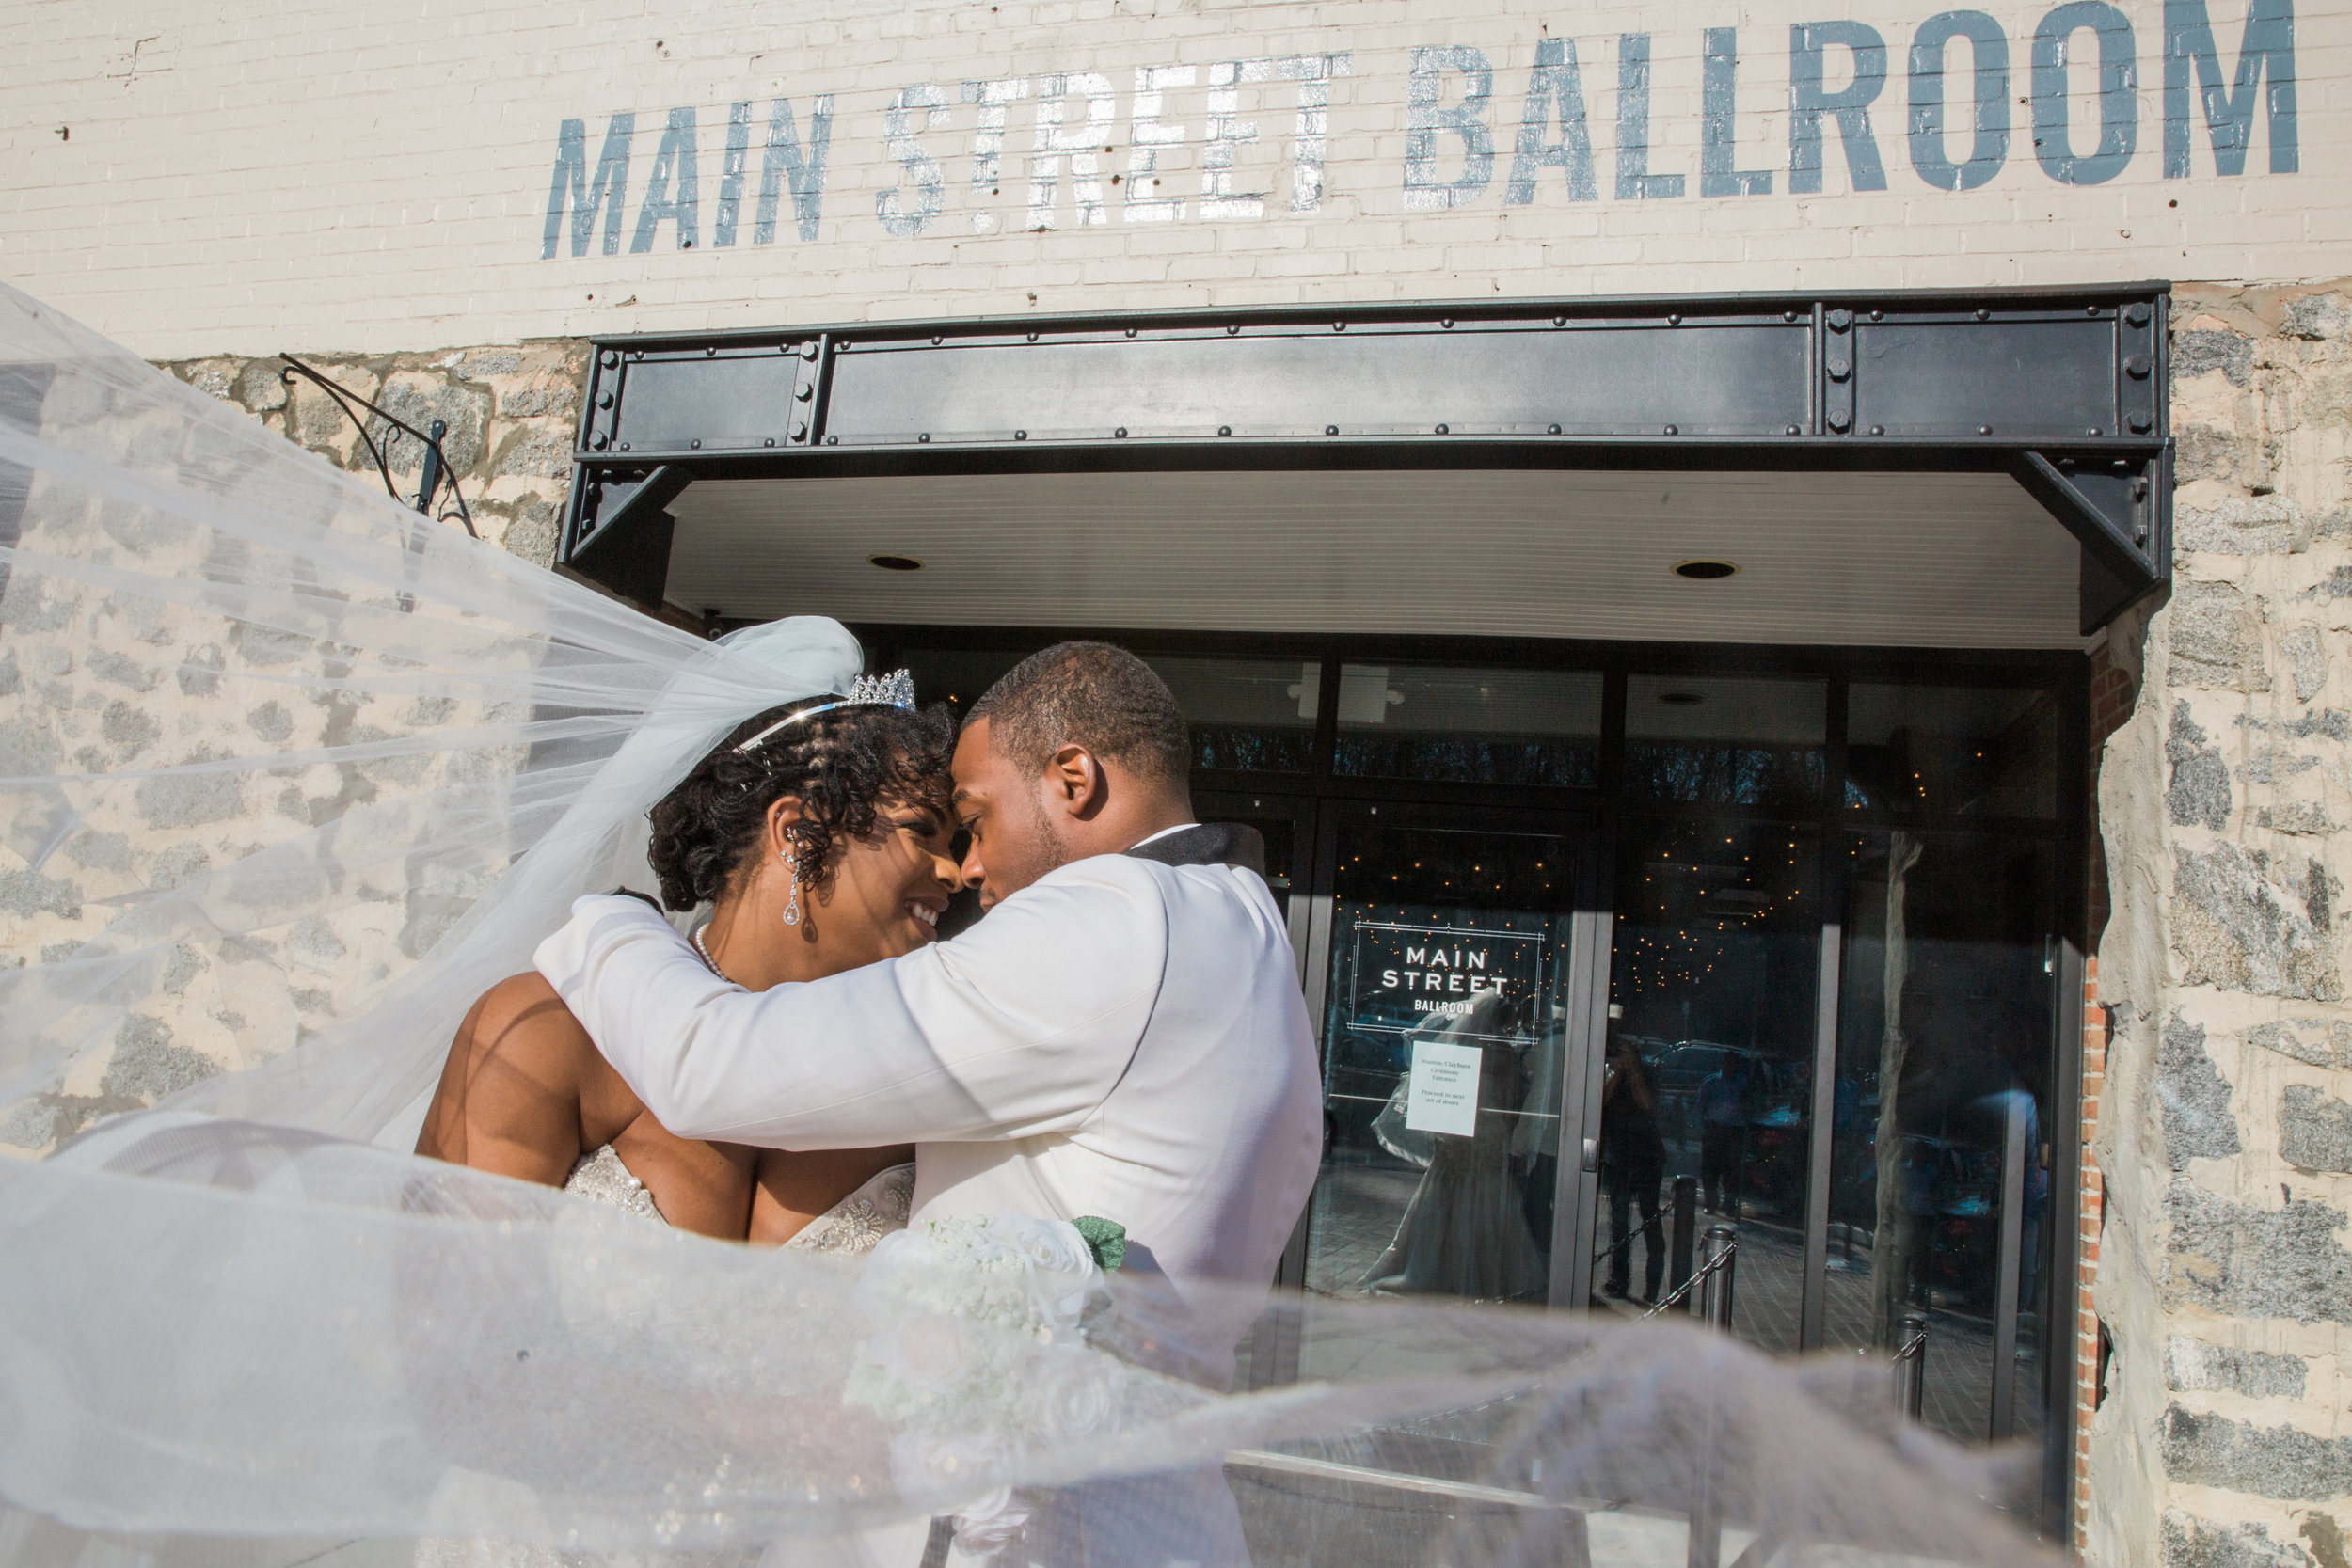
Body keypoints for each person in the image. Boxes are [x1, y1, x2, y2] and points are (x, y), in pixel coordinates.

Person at [535, 642, 1323, 1374]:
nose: (967, 867)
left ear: (1073, 779)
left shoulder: (1112, 921)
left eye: (975, 820)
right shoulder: (1251, 935)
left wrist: (611, 919)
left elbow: (707, 1067)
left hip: (997, 1508)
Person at [415, 689, 961, 1250]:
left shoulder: (916, 1081)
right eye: (922, 829)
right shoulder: (547, 1035)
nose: (957, 871)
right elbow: (452, 1306)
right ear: (796, 834)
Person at [1599, 1035, 1666, 1305]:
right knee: (1619, 1222)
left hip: (1648, 1158)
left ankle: (1653, 1286)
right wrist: (1616, 1074)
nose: (1620, 1057)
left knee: (1650, 1220)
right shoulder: (1609, 1074)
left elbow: (1648, 1105)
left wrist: (1634, 1073)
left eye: (1625, 1053)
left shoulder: (1647, 1074)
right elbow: (1600, 1105)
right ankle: (1619, 1279)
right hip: (1619, 1158)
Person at [1696, 1053, 1751, 1217]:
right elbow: (1700, 1107)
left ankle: (1730, 1204)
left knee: (1732, 1170)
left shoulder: (1742, 1085)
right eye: (1728, 1063)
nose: (1730, 1067)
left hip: (1734, 1131)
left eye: (1734, 1064)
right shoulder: (1711, 1083)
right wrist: (1702, 1130)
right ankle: (1711, 1203)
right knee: (1710, 1169)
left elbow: (1748, 1108)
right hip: (1714, 1130)